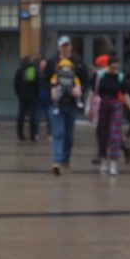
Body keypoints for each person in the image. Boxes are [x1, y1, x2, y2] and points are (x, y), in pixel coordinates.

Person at [46, 36, 86, 175]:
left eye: (67, 45)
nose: (65, 48)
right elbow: (44, 80)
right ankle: (57, 161)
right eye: (63, 45)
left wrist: (79, 90)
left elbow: (85, 80)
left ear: (70, 47)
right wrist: (52, 89)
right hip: (57, 104)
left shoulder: (78, 63)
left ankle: (66, 160)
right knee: (59, 132)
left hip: (71, 104)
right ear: (58, 47)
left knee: (69, 135)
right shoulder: (52, 63)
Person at [94, 60, 130, 175]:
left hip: (116, 104)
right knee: (102, 133)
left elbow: (125, 93)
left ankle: (113, 163)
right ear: (109, 66)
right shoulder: (100, 75)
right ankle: (103, 158)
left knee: (114, 133)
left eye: (117, 68)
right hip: (103, 104)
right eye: (114, 67)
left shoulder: (119, 76)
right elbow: (92, 91)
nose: (116, 70)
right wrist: (90, 108)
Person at [12, 55, 40, 142]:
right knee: (33, 115)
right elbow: (38, 83)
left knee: (21, 115)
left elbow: (15, 84)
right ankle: (33, 135)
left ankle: (20, 134)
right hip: (32, 96)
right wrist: (36, 93)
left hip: (22, 96)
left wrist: (18, 93)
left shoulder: (19, 70)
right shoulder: (34, 70)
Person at [35, 58, 52, 140]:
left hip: (47, 97)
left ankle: (49, 133)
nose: (43, 66)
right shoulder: (37, 73)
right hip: (38, 97)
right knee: (37, 116)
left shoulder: (48, 74)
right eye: (42, 64)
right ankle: (36, 133)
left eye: (44, 65)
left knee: (49, 116)